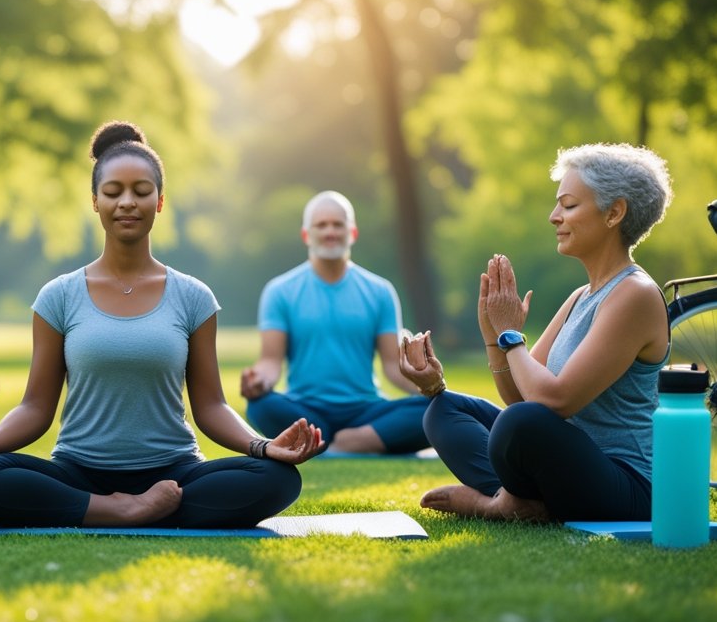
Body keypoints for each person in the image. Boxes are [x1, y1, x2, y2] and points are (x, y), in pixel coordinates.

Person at [0, 121, 324, 528]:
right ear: (96, 202)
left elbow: (211, 406)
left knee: (278, 479)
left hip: (174, 472)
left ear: (161, 201)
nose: (127, 202)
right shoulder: (58, 296)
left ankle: (115, 508)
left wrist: (262, 447)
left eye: (141, 191)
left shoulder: (194, 297)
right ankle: (120, 510)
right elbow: (35, 408)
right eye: (113, 193)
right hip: (79, 472)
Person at [400, 143, 672, 522]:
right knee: (444, 409)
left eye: (569, 205)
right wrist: (495, 337)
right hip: (568, 464)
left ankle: (493, 505)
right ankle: (521, 503)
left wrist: (512, 335)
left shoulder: (635, 295)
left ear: (615, 213)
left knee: (520, 425)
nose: (553, 216)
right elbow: (519, 396)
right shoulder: (582, 297)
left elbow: (555, 402)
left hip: (627, 486)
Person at [240, 191, 427, 454]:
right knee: (260, 406)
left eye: (338, 224)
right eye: (321, 225)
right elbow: (271, 361)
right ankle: (344, 440)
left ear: (352, 233)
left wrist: (430, 388)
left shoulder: (380, 291)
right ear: (307, 235)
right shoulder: (279, 291)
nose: (330, 232)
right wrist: (259, 382)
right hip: (304, 411)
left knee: (435, 409)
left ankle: (344, 442)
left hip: (366, 412)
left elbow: (392, 366)